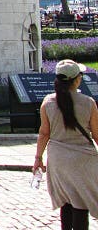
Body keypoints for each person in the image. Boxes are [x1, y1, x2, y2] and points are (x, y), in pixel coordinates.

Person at [33, 59, 98, 229]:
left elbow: (44, 133)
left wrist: (38, 158)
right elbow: (97, 134)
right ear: (77, 79)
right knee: (81, 202)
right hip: (83, 160)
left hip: (58, 159)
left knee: (66, 201)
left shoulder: (48, 103)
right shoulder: (88, 103)